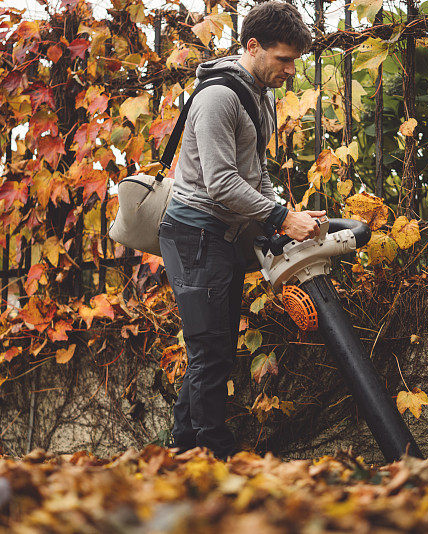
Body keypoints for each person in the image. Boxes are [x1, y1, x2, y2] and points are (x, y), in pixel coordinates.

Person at [158, 1, 324, 460]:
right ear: (253, 47)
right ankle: (215, 458)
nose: (291, 70)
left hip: (224, 235)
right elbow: (221, 183)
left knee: (214, 350)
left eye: (295, 60)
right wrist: (279, 217)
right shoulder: (218, 98)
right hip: (195, 234)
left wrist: (281, 215)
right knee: (211, 352)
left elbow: (254, 173)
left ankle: (183, 453)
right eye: (284, 59)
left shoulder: (259, 93)